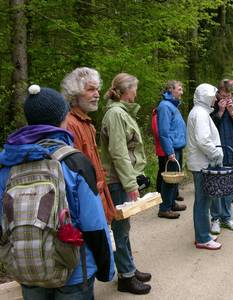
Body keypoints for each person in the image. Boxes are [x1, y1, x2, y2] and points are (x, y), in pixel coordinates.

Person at [0, 85, 115, 299]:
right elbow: (94, 225)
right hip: (74, 271)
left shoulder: (8, 165)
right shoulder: (74, 161)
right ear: (63, 119)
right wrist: (106, 269)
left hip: (29, 271)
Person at [101, 73, 151, 295]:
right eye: (134, 89)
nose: (136, 92)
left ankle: (128, 267)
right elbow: (119, 153)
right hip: (118, 180)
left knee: (125, 227)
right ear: (125, 91)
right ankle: (126, 277)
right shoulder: (115, 115)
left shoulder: (121, 113)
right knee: (120, 230)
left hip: (123, 178)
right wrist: (130, 183)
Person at [62, 67, 117, 224]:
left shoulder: (86, 123)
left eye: (97, 89)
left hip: (96, 202)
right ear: (75, 93)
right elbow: (75, 176)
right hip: (87, 209)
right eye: (90, 90)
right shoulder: (70, 125)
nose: (97, 94)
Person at [187, 83, 224, 250]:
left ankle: (204, 234)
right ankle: (202, 238)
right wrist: (216, 154)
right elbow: (203, 140)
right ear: (206, 96)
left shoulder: (199, 112)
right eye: (214, 96)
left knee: (204, 201)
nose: (216, 99)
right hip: (203, 164)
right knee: (203, 202)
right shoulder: (200, 114)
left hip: (202, 163)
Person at [209, 79, 233, 234]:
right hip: (215, 150)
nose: (226, 98)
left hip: (231, 149)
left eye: (228, 95)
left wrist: (231, 112)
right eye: (223, 95)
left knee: (228, 185)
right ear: (218, 94)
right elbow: (209, 126)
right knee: (216, 185)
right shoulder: (211, 105)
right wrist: (220, 112)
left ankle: (227, 217)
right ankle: (215, 218)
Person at [156, 80, 187, 219]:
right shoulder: (165, 107)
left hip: (177, 147)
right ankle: (164, 208)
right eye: (179, 89)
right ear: (170, 90)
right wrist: (169, 152)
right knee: (169, 180)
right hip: (172, 149)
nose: (182, 92)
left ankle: (171, 203)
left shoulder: (172, 106)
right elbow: (164, 132)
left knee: (175, 179)